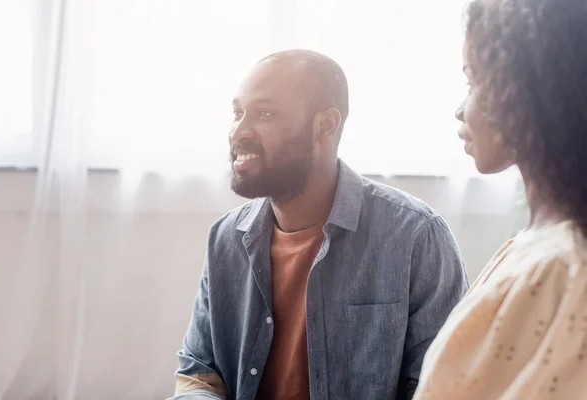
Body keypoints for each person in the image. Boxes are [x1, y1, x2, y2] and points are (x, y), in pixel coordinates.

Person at [170, 49, 469, 400]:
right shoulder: (225, 239)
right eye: (237, 113)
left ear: (325, 124)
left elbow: (443, 387)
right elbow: (198, 374)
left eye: (264, 113)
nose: (239, 131)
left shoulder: (417, 236)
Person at [413, 0, 587, 398]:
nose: (460, 109)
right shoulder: (535, 247)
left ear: (524, 95)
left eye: (474, 82)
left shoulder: (564, 269)